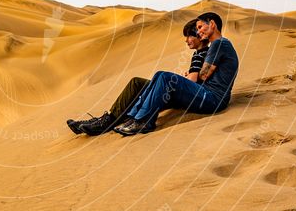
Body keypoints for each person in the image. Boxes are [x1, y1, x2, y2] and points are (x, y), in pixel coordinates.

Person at [67, 18, 211, 136]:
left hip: (185, 97)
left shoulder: (203, 53)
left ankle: (108, 122)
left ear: (199, 36)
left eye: (189, 36)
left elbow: (194, 80)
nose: (186, 40)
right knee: (136, 83)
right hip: (182, 93)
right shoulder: (199, 54)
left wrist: (184, 80)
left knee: (153, 81)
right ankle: (107, 119)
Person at [113, 11, 239, 136]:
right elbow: (205, 74)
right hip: (209, 95)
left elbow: (204, 75)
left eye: (200, 27)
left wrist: (190, 76)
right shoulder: (219, 45)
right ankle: (135, 118)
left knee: (165, 77)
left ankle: (143, 121)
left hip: (213, 99)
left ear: (212, 24)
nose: (199, 32)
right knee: (159, 75)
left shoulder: (219, 43)